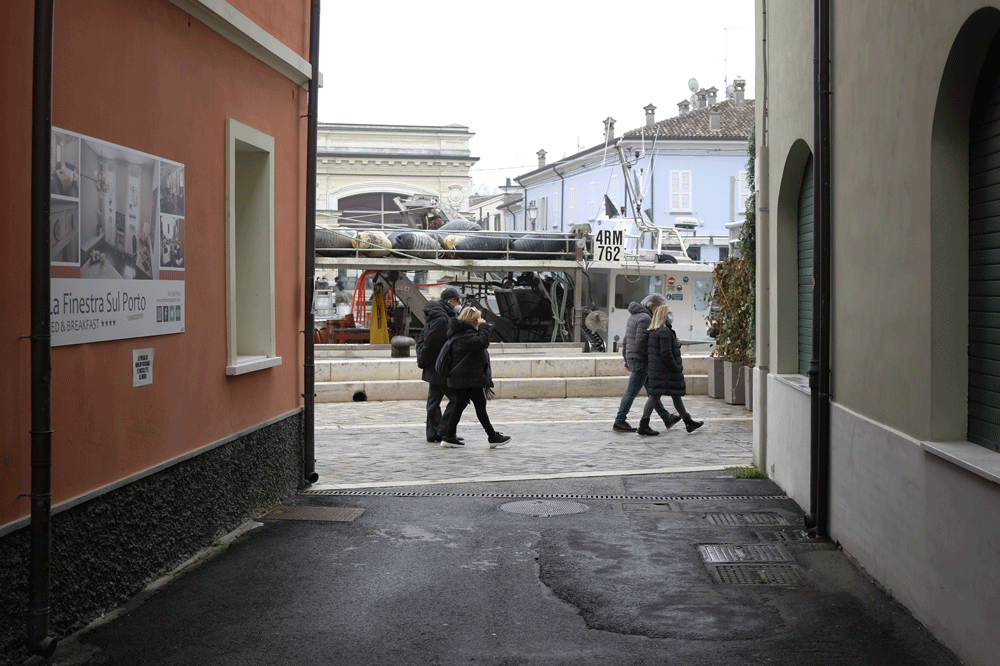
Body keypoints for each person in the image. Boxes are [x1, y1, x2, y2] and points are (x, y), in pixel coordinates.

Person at [439, 307, 510, 448]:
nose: (481, 321)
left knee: (460, 405)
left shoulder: (462, 333)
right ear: (472, 321)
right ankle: (492, 436)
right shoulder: (464, 335)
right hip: (467, 378)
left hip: (464, 377)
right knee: (479, 405)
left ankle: (449, 436)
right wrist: (484, 327)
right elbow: (482, 342)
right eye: (478, 319)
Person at [613, 293, 681, 433]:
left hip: (634, 358)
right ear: (653, 306)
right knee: (632, 392)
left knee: (653, 391)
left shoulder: (635, 316)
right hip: (640, 360)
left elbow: (626, 340)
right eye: (661, 307)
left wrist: (626, 358)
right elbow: (642, 342)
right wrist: (652, 358)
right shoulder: (645, 318)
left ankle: (666, 418)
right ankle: (619, 421)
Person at [640, 305, 704, 434]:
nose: (671, 316)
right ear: (664, 315)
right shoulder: (664, 331)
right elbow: (666, 353)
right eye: (669, 313)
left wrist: (675, 343)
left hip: (658, 370)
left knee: (674, 396)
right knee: (654, 396)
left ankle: (688, 422)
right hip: (665, 371)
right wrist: (676, 368)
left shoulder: (654, 331)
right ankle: (643, 425)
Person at [415, 287, 464, 443]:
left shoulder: (437, 314)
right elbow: (433, 342)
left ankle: (433, 433)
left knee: (433, 401)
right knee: (458, 398)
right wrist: (423, 357)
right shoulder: (442, 319)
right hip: (439, 365)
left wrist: (423, 356)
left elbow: (423, 336)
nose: (459, 303)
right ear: (450, 301)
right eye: (457, 300)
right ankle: (445, 431)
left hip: (433, 364)